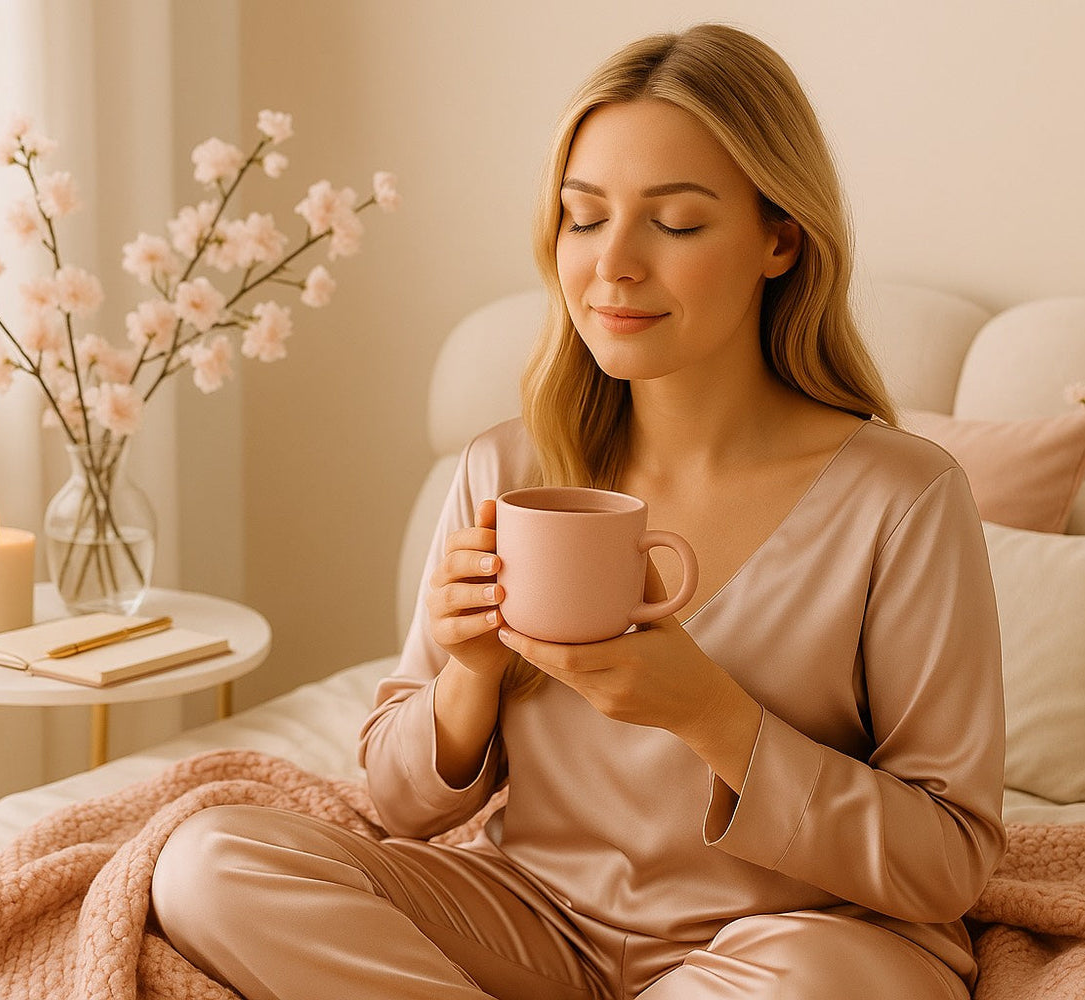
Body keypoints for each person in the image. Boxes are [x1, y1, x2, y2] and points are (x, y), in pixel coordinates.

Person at [151, 22, 1005, 1000]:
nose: (614, 265)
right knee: (208, 861)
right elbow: (398, 807)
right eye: (584, 217)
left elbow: (951, 861)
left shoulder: (901, 496)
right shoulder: (507, 469)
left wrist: (715, 717)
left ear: (780, 239)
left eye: (674, 224)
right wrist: (470, 675)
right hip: (532, 921)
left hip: (787, 944)